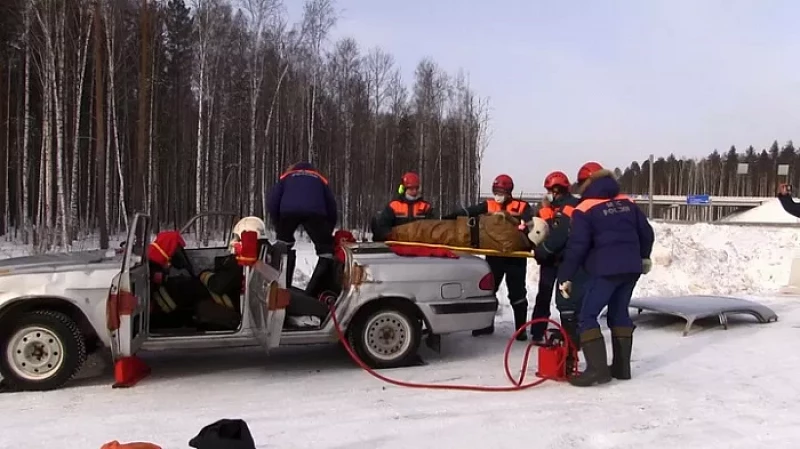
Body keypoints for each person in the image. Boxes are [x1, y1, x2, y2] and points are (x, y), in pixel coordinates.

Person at [557, 161, 655, 387]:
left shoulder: (585, 208)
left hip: (605, 270)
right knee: (619, 314)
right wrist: (644, 256)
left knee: (587, 316)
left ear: (585, 183)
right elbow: (646, 233)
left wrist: (566, 275)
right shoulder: (627, 202)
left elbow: (577, 246)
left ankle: (597, 370)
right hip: (631, 268)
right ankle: (622, 368)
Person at [442, 174, 533, 340]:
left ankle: (521, 329)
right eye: (495, 191)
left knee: (518, 294)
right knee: (489, 291)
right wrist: (450, 217)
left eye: (501, 191)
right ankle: (486, 325)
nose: (497, 194)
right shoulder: (489, 205)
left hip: (515, 258)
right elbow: (469, 211)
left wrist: (523, 227)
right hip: (494, 256)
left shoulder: (522, 206)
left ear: (509, 191)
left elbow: (530, 225)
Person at [529, 171, 581, 353]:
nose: (548, 193)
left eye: (550, 190)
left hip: (563, 259)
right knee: (543, 295)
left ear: (558, 189)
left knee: (566, 297)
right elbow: (546, 228)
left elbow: (560, 234)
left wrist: (542, 251)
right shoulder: (554, 207)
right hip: (550, 260)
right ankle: (537, 331)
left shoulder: (570, 206)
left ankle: (572, 334)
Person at [267, 161, 338, 289]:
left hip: (288, 212)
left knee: (283, 246)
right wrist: (328, 230)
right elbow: (332, 205)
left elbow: (273, 200)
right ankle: (318, 288)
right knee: (326, 251)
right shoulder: (319, 178)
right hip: (315, 213)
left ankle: (282, 284)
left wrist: (278, 223)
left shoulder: (286, 177)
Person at [371, 171, 436, 242]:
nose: (414, 191)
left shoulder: (426, 207)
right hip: (398, 245)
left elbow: (433, 228)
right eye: (411, 189)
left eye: (416, 188)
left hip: (419, 245)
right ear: (404, 189)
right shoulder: (394, 206)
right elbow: (383, 227)